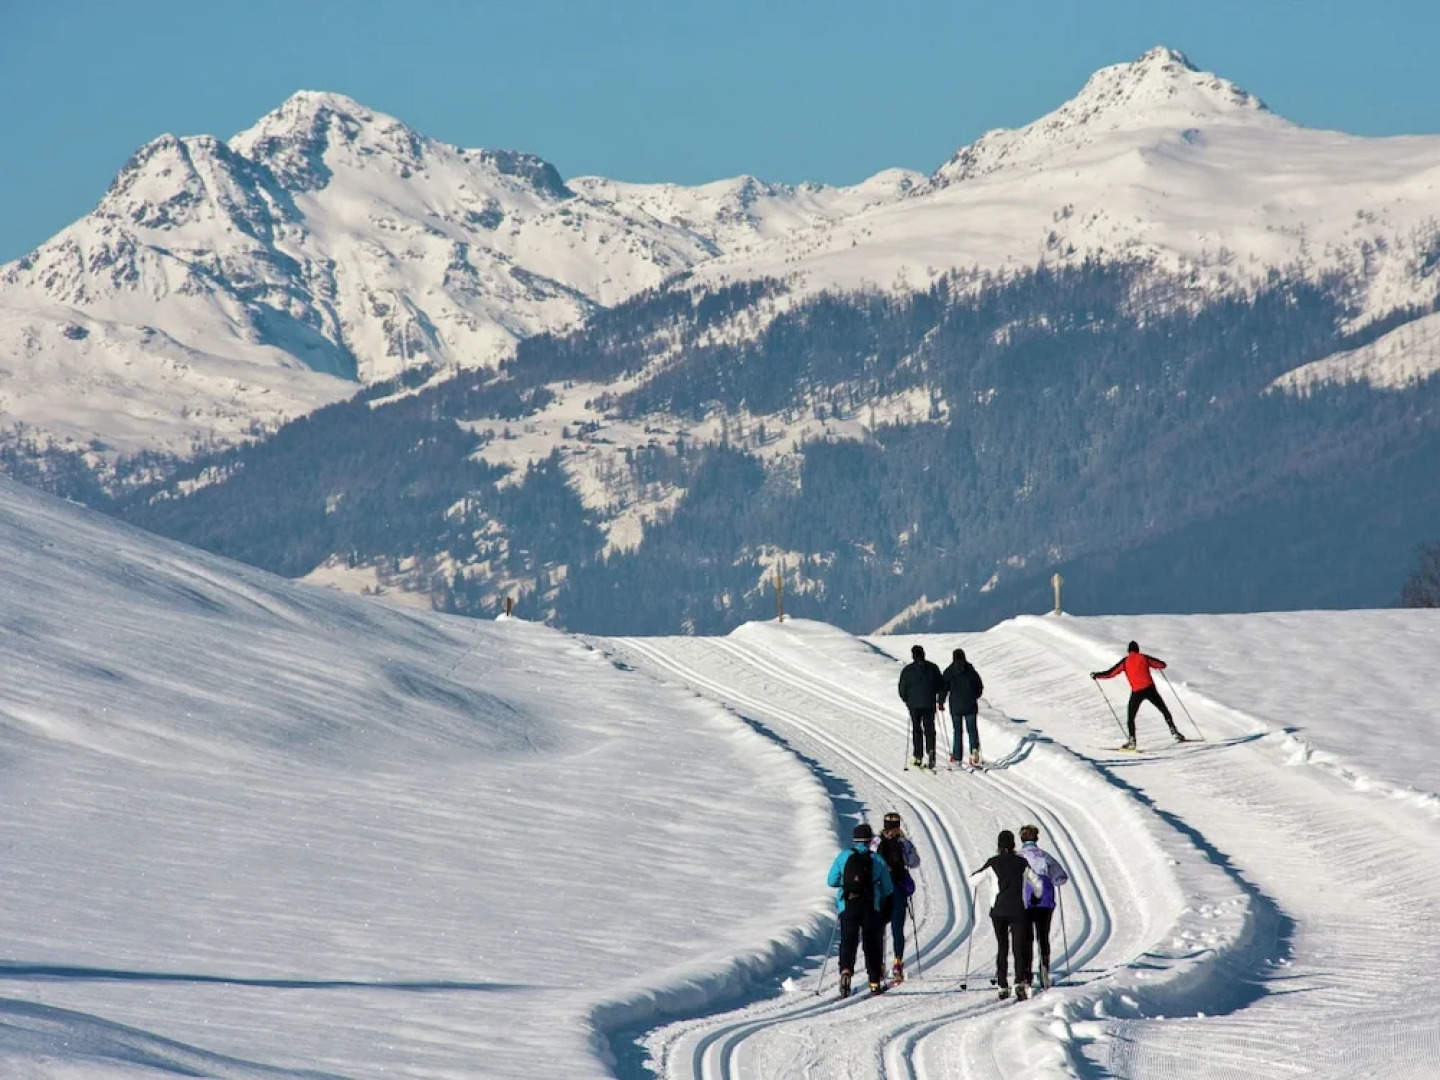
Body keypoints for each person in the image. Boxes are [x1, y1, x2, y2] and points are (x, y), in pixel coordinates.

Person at [826, 821, 895, 997]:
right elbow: (888, 888)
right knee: (872, 944)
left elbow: (831, 881)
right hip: (871, 907)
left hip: (848, 905)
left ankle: (846, 971)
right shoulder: (877, 859)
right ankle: (874, 982)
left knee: (848, 941)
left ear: (854, 839)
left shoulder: (844, 856)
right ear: (870, 840)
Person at [971, 829, 1033, 1001]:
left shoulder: (993, 863)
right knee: (1018, 946)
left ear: (998, 845)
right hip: (1018, 910)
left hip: (998, 911)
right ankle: (1019, 981)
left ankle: (1002, 984)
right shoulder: (1021, 862)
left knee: (1002, 946)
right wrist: (1035, 895)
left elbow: (973, 880)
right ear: (1013, 845)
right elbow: (1036, 882)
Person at [1091, 640, 1185, 749]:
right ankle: (1175, 732)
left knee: (1131, 717)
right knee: (1164, 710)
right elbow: (1162, 665)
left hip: (1137, 692)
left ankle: (1132, 741)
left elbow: (1110, 673)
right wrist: (1158, 665)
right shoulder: (1144, 657)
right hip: (1150, 689)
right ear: (1138, 649)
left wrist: (1097, 675)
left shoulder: (1125, 661)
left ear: (1128, 651)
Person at [1018, 823, 1070, 989]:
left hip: (1025, 902)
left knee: (1026, 938)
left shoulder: (1018, 857)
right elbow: (1061, 877)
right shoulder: (1045, 856)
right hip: (1045, 901)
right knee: (1043, 937)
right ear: (1037, 838)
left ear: (1021, 839)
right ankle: (1045, 970)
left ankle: (1026, 975)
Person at [874, 811, 921, 984]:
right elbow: (914, 862)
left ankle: (878, 965)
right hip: (898, 889)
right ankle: (897, 964)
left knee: (879, 929)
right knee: (897, 929)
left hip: (880, 890)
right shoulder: (903, 842)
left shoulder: (876, 842)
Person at [898, 644, 945, 768]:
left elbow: (902, 689)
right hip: (929, 704)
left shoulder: (907, 670)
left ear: (913, 655)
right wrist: (937, 698)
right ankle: (931, 752)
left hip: (914, 705)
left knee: (917, 729)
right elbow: (941, 685)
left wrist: (907, 700)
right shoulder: (933, 668)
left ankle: (918, 756)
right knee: (929, 729)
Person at [940, 648, 985, 767]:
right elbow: (979, 686)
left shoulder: (949, 671)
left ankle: (957, 756)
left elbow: (943, 688)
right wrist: (974, 696)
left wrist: (940, 702)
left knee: (957, 731)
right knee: (972, 730)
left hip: (956, 706)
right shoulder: (970, 670)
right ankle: (974, 751)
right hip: (970, 705)